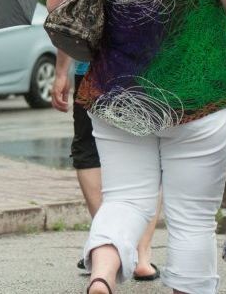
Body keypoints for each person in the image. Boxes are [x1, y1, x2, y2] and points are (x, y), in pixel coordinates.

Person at [47, 0, 226, 294]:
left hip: (117, 94)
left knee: (125, 198)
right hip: (199, 94)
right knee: (192, 217)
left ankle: (102, 274)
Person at [51, 54, 160, 281]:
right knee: (153, 152)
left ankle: (107, 242)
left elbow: (72, 23)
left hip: (93, 71)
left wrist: (61, 72)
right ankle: (141, 256)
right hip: (148, 68)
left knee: (88, 151)